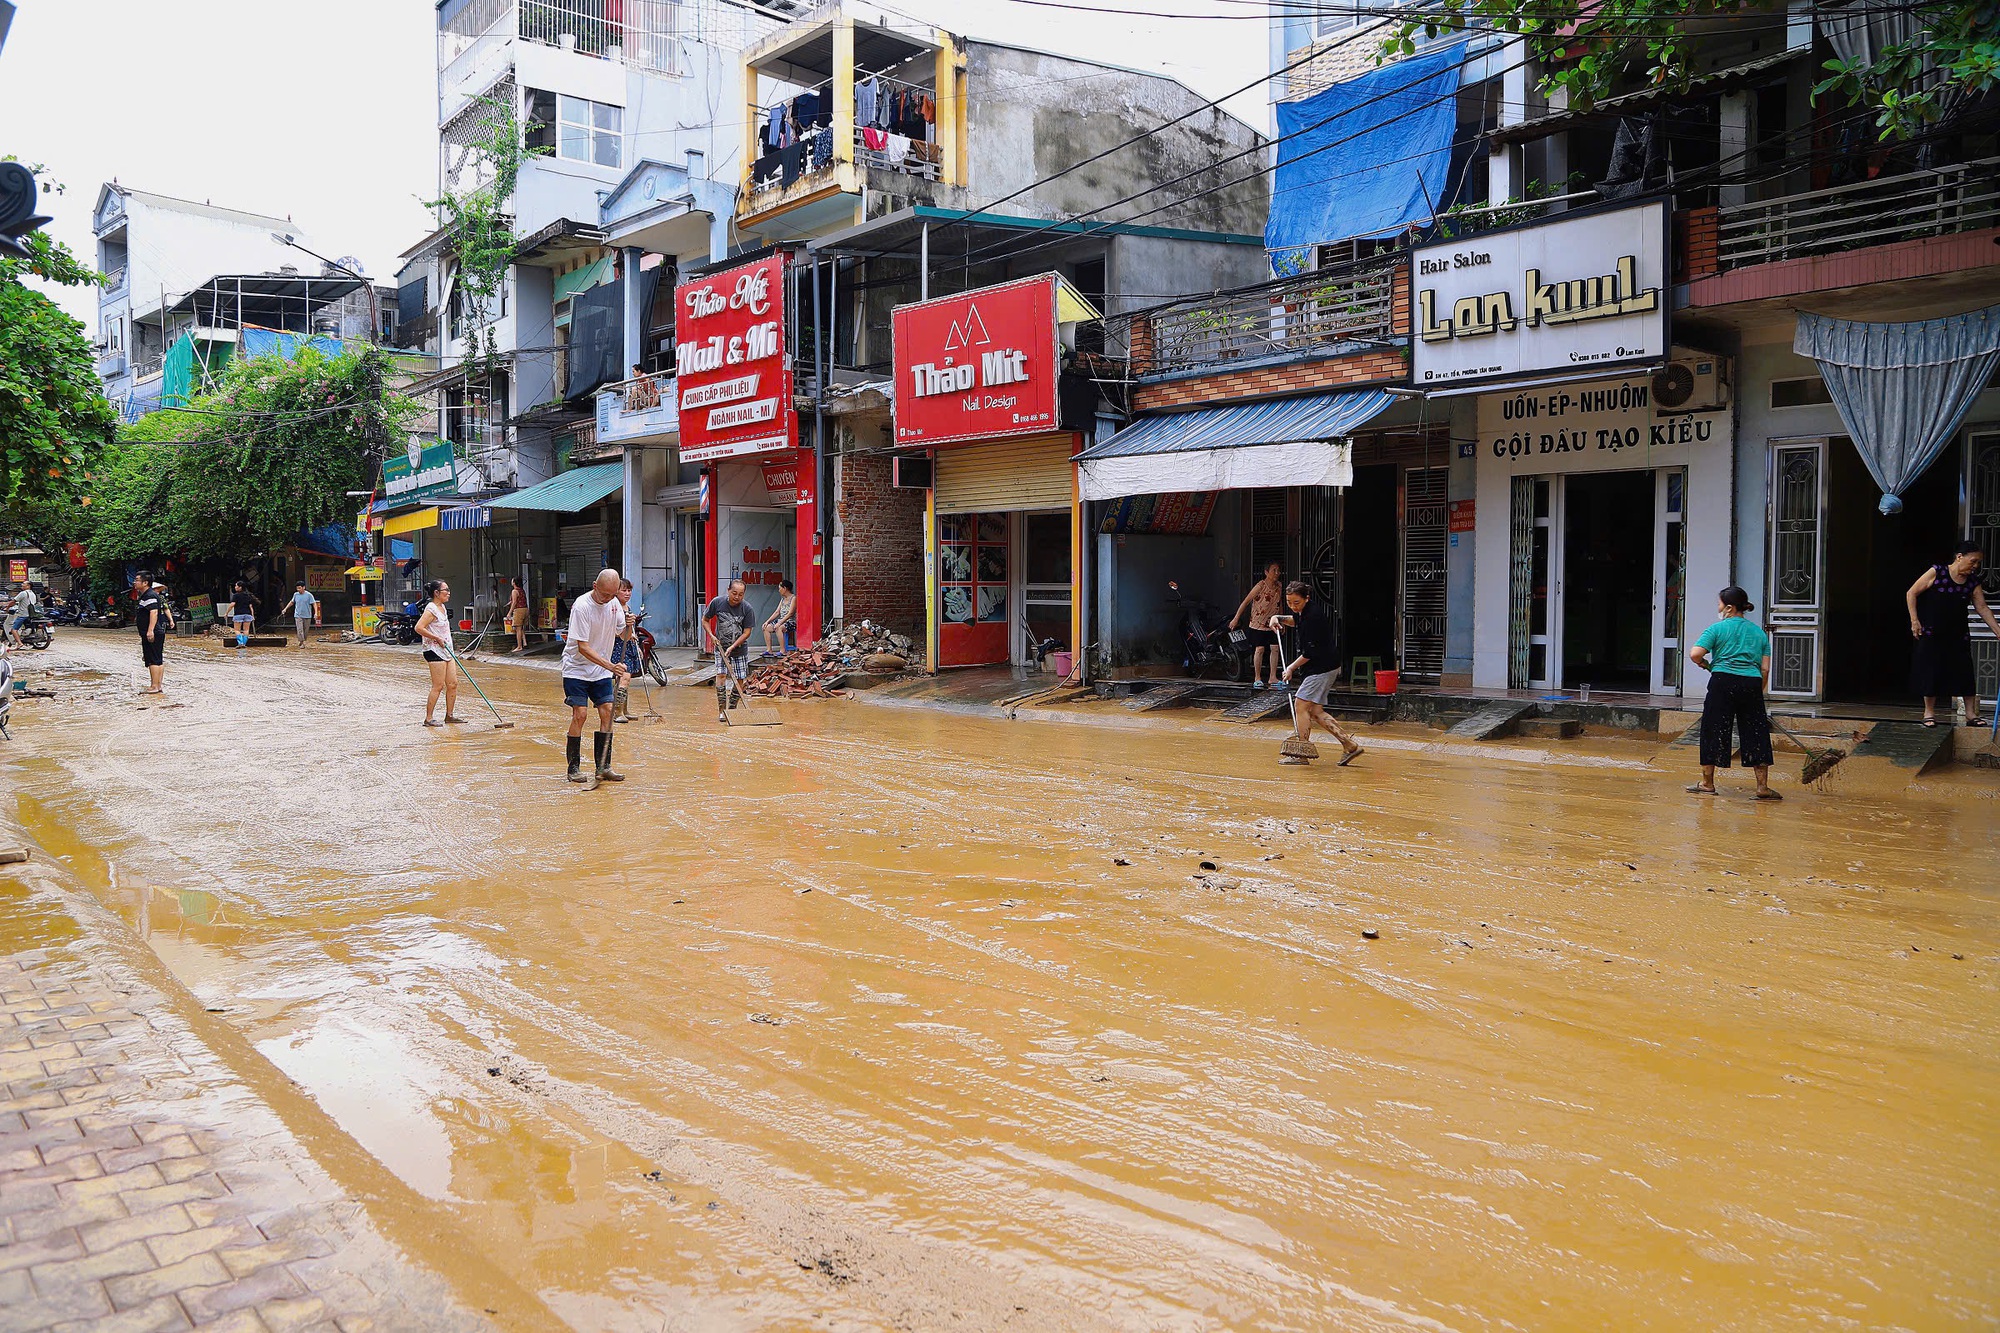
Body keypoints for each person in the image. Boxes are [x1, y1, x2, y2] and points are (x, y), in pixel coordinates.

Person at [1687, 586, 1779, 800]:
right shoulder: (1759, 633)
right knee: (1756, 732)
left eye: (1719, 604)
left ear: (1729, 607)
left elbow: (1694, 654)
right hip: (1751, 684)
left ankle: (1707, 783)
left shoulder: (1717, 629)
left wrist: (1704, 663)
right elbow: (1765, 668)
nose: (1718, 608)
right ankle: (1762, 787)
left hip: (1722, 682)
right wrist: (1758, 691)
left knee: (1713, 729)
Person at [1906, 541, 1999, 727]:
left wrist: (1998, 631)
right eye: (1973, 561)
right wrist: (1914, 620)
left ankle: (1971, 715)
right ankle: (1929, 713)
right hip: (1932, 632)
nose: (1975, 567)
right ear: (1959, 557)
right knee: (1931, 670)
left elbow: (1982, 607)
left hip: (1958, 634)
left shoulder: (1972, 582)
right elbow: (1912, 593)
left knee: (1964, 671)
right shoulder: (1937, 572)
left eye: (1978, 563)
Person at [1272, 580, 1364, 765]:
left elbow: (1309, 653)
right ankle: (1349, 745)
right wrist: (1278, 618)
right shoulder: (1304, 611)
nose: (1292, 606)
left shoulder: (1313, 617)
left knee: (1300, 706)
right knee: (1314, 711)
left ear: (1307, 598)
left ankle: (1302, 753)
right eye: (1289, 602)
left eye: (1296, 602)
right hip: (1325, 666)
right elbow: (1293, 619)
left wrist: (1291, 668)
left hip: (1321, 667)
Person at [561, 568, 630, 784]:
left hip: (600, 671)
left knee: (608, 712)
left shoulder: (614, 604)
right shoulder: (582, 607)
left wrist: (629, 626)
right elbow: (582, 647)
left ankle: (603, 765)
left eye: (612, 595)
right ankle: (573, 768)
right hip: (576, 668)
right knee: (580, 714)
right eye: (604, 595)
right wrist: (610, 666)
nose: (608, 599)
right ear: (594, 586)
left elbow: (623, 634)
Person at [703, 580, 756, 721]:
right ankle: (722, 710)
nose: (737, 597)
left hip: (739, 649)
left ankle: (732, 709)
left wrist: (733, 646)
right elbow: (705, 620)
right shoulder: (717, 603)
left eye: (740, 594)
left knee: (740, 679)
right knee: (721, 675)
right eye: (734, 593)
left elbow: (747, 632)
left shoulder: (747, 609)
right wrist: (712, 636)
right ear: (728, 591)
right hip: (720, 646)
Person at [1228, 561, 1286, 690]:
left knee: (1275, 648)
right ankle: (1257, 678)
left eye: (1278, 570)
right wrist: (1236, 618)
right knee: (1259, 649)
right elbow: (1246, 602)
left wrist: (1281, 620)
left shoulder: (1279, 586)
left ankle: (1272, 677)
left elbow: (1279, 603)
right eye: (1274, 570)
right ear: (1266, 572)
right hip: (1258, 623)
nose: (1277, 573)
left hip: (1273, 623)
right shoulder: (1260, 586)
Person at [415, 579, 462, 727]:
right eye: (445, 590)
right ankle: (428, 719)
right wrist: (436, 638)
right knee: (438, 685)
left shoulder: (442, 607)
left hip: (446, 649)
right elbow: (419, 627)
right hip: (434, 650)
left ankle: (450, 716)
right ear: (436, 593)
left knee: (453, 683)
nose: (448, 593)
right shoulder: (431, 609)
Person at [611, 577, 640, 723]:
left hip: (628, 644)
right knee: (624, 677)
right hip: (617, 645)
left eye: (629, 590)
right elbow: (615, 630)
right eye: (624, 590)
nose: (627, 593)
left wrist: (634, 638)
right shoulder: (614, 607)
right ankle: (617, 712)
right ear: (616, 592)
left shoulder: (627, 607)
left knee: (624, 679)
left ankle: (624, 710)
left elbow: (630, 629)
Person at [133, 571, 167, 694]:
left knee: (153, 659)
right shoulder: (147, 595)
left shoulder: (150, 595)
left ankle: (154, 686)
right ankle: (158, 685)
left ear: (145, 582)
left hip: (153, 632)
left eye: (137, 580)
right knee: (157, 659)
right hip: (155, 632)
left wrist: (150, 630)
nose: (134, 582)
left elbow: (154, 613)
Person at [761, 578, 797, 655]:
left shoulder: (794, 598)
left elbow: (790, 613)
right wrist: (767, 621)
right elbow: (777, 612)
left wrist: (780, 623)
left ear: (785, 588)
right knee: (765, 627)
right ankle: (769, 650)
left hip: (791, 622)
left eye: (780, 588)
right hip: (782, 621)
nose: (779, 590)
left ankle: (782, 650)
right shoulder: (783, 599)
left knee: (778, 627)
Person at [285, 581, 321, 648]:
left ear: (304, 587)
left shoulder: (309, 595)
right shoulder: (295, 594)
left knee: (305, 630)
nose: (298, 590)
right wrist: (285, 609)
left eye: (299, 588)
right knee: (299, 629)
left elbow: (314, 604)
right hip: (298, 615)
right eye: (297, 588)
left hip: (307, 615)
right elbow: (292, 602)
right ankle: (302, 642)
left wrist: (315, 613)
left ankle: (303, 640)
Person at [6, 582, 36, 650]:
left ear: (28, 586)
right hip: (30, 614)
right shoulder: (33, 594)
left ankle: (19, 643)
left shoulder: (23, 593)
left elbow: (13, 602)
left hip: (23, 614)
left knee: (14, 629)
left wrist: (7, 608)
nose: (22, 585)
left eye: (24, 584)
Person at [229, 580, 259, 648]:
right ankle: (244, 643)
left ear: (240, 587)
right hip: (248, 615)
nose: (235, 587)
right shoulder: (248, 595)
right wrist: (252, 615)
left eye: (236, 585)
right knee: (246, 630)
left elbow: (232, 605)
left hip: (238, 614)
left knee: (237, 630)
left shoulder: (236, 596)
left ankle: (240, 643)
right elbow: (251, 607)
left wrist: (226, 613)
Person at [508, 577, 531, 654]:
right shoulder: (522, 590)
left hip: (519, 610)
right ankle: (525, 643)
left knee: (518, 629)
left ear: (514, 582)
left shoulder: (514, 591)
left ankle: (519, 646)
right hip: (525, 609)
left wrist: (509, 612)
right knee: (521, 628)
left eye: (512, 580)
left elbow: (514, 602)